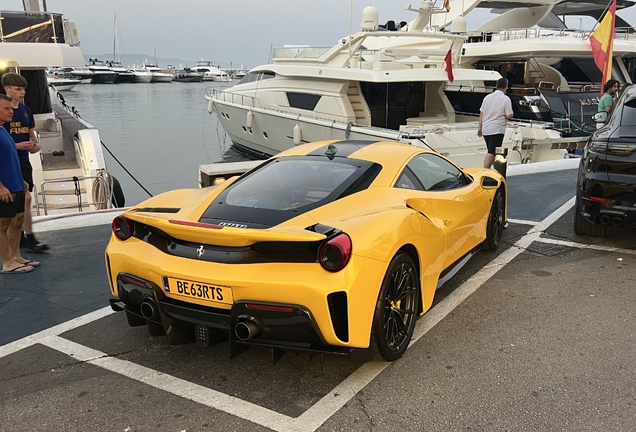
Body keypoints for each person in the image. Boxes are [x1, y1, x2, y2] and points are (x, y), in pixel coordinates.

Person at [1, 73, 49, 253]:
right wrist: (19, 146)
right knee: (24, 199)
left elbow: (31, 135)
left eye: (24, 89)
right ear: (7, 89)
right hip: (8, 162)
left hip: (23, 161)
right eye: (18, 89)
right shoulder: (3, 114)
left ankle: (23, 237)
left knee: (25, 200)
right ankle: (27, 238)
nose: (23, 92)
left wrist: (35, 145)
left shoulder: (27, 112)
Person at [0, 94, 38, 274]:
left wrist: (20, 179)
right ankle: (7, 263)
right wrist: (1, 187)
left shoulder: (3, 130)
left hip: (16, 185)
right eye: (6, 109)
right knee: (2, 225)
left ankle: (16, 256)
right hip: (4, 189)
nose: (11, 112)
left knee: (17, 221)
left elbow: (10, 158)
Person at [478, 77, 514, 169]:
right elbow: (509, 115)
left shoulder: (487, 98)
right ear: (506, 87)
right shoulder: (505, 99)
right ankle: (485, 171)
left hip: (486, 128)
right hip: (497, 129)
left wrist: (480, 127)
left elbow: (482, 113)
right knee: (492, 152)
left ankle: (496, 171)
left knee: (492, 151)